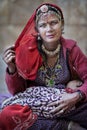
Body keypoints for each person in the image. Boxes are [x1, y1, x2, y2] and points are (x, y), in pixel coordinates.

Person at [1, 2, 87, 130]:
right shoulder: (27, 52)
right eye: (43, 25)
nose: (49, 29)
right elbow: (17, 92)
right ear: (37, 30)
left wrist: (76, 96)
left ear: (61, 24)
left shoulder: (71, 49)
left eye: (53, 23)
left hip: (66, 104)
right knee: (6, 115)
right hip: (35, 105)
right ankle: (64, 126)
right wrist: (12, 68)